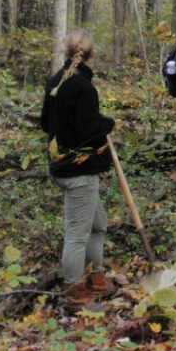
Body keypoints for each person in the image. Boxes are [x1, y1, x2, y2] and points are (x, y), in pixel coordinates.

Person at [41, 30, 115, 306]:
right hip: (78, 173)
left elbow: (45, 124)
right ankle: (73, 292)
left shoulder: (55, 81)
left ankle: (96, 278)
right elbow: (89, 130)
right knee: (77, 234)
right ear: (90, 55)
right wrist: (107, 124)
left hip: (65, 168)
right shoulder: (83, 87)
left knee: (98, 225)